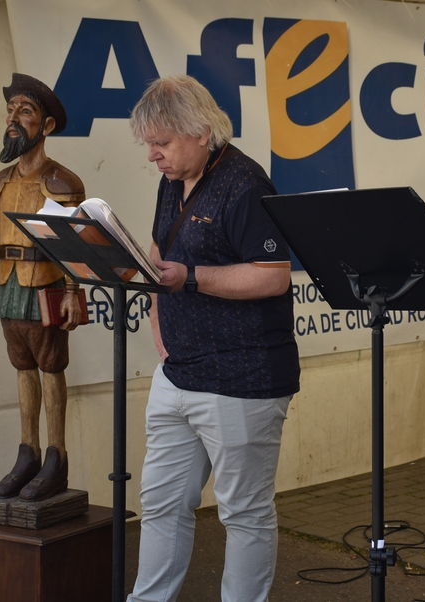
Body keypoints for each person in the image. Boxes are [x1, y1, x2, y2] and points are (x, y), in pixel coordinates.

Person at [127, 75, 300, 602]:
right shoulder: (172, 179)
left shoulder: (246, 184)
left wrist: (191, 279)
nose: (153, 156)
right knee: (160, 503)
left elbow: (273, 276)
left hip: (241, 377)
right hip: (178, 372)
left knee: (243, 513)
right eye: (149, 144)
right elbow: (159, 254)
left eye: (162, 142)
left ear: (201, 132)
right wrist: (159, 326)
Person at [0, 73, 84, 502]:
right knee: (23, 368)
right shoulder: (1, 184)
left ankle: (56, 458)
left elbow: (75, 246)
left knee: (51, 368)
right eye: (10, 111)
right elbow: (4, 242)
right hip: (9, 286)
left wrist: (73, 292)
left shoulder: (62, 183)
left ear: (47, 125)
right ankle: (28, 453)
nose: (13, 119)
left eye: (25, 111)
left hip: (46, 286)